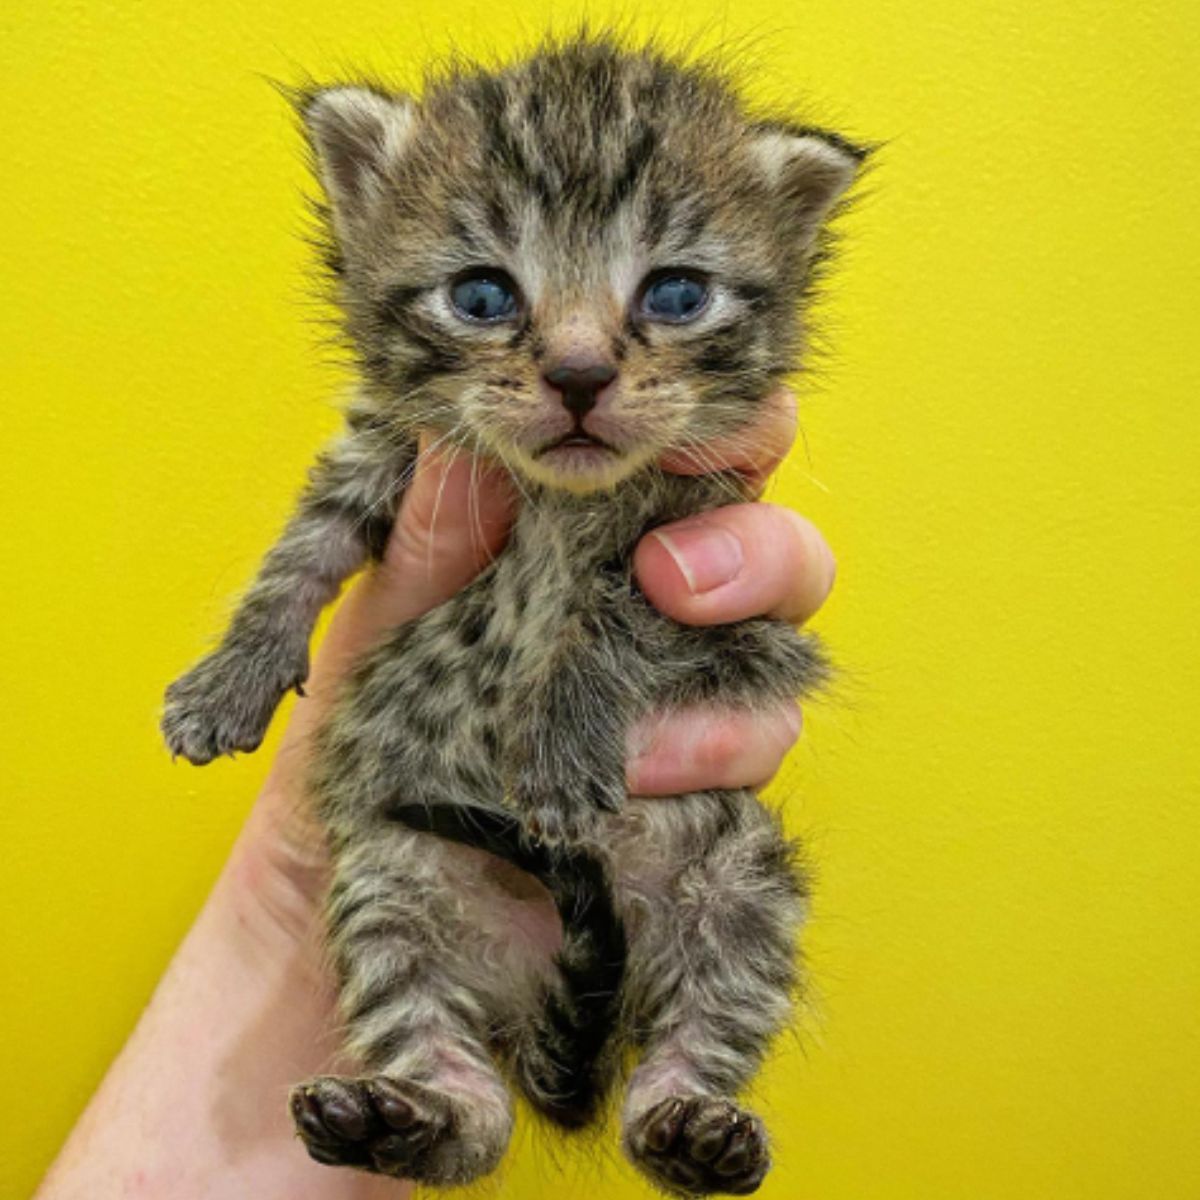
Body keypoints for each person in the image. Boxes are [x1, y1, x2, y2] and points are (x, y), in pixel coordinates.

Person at [37, 390, 837, 1199]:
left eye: (665, 297)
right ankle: (452, 1100)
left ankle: (682, 1088)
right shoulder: (448, 408)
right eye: (491, 296)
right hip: (439, 832)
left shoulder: (687, 430)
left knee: (736, 876)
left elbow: (758, 656)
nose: (577, 361)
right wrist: (262, 642)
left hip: (636, 846)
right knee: (384, 878)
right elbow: (347, 494)